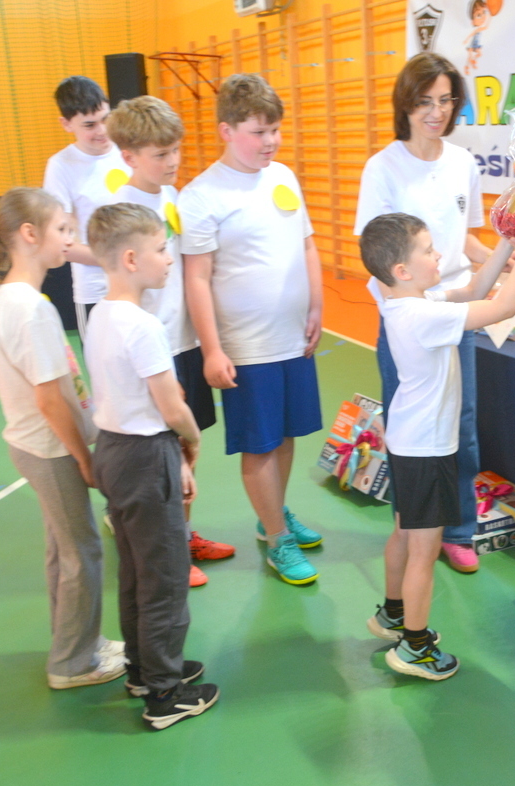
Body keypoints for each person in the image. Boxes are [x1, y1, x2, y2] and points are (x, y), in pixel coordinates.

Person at [359, 206, 515, 680]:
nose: (439, 256)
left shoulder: (407, 302)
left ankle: (392, 614)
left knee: (404, 532)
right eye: (429, 251)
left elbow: (474, 290)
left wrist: (509, 240)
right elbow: (503, 307)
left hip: (410, 442)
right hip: (427, 450)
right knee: (424, 551)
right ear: (402, 270)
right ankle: (414, 647)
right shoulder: (423, 315)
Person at [0, 188, 125, 690]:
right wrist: (83, 457)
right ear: (29, 234)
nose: (69, 239)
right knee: (82, 554)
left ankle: (80, 641)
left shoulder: (15, 299)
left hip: (38, 445)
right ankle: (72, 663)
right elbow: (49, 400)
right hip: (50, 448)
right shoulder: (28, 309)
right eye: (62, 229)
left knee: (64, 551)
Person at [179, 74, 324, 586]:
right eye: (258, 132)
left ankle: (273, 517)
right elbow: (196, 279)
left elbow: (306, 245)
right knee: (259, 445)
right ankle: (278, 541)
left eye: (275, 130)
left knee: (286, 436)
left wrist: (316, 305)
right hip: (247, 346)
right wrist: (212, 350)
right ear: (226, 130)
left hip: (293, 337)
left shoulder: (283, 176)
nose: (271, 142)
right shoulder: (201, 196)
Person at [354, 52, 495, 576]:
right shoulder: (383, 167)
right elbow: (375, 256)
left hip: (456, 311)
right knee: (408, 428)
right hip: (409, 321)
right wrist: (404, 314)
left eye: (446, 100)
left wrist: (507, 253)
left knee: (462, 422)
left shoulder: (463, 163)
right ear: (406, 104)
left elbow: (465, 240)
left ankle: (457, 530)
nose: (437, 112)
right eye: (425, 102)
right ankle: (413, 526)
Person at [84, 202, 220, 731]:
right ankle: (165, 694)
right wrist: (191, 441)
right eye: (162, 250)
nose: (169, 259)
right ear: (131, 259)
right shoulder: (141, 325)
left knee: (137, 570)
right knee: (164, 577)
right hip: (145, 455)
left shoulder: (100, 314)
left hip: (114, 450)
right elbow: (171, 406)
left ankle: (144, 668)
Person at [104, 95, 235, 587]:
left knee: (185, 452)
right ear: (129, 156)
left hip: (185, 343)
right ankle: (167, 549)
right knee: (162, 458)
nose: (173, 160)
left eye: (176, 149)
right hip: (153, 354)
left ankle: (181, 534)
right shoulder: (120, 212)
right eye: (160, 154)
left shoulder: (173, 197)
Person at [42, 76, 130, 346]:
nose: (102, 130)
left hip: (141, 285)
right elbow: (62, 243)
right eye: (90, 125)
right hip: (97, 291)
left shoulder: (129, 151)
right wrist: (117, 261)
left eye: (105, 119)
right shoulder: (61, 166)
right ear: (66, 124)